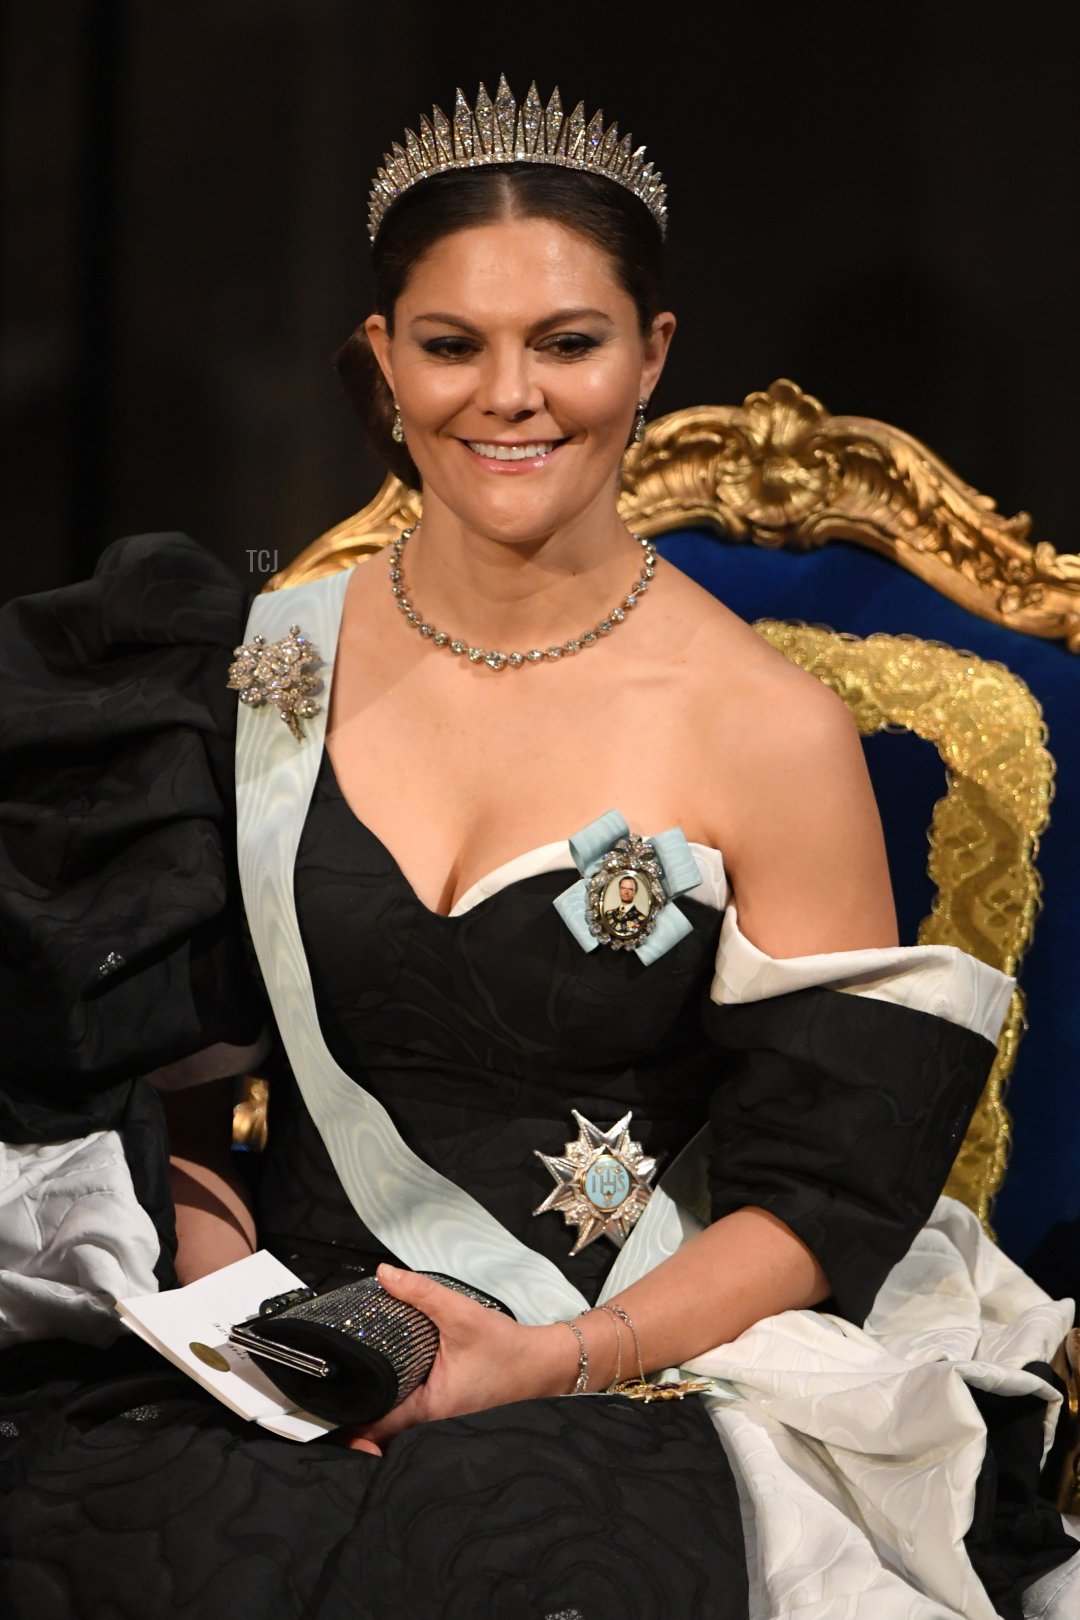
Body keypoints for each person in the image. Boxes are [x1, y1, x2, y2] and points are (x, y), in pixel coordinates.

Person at [0, 75, 1077, 1620]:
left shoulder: (769, 733)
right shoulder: (254, 665)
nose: (510, 395)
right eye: (453, 344)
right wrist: (221, 1289)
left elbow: (823, 1200)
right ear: (383, 366)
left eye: (567, 342)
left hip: (638, 1360)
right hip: (302, 1349)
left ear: (652, 356)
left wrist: (548, 1363)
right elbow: (173, 1079)